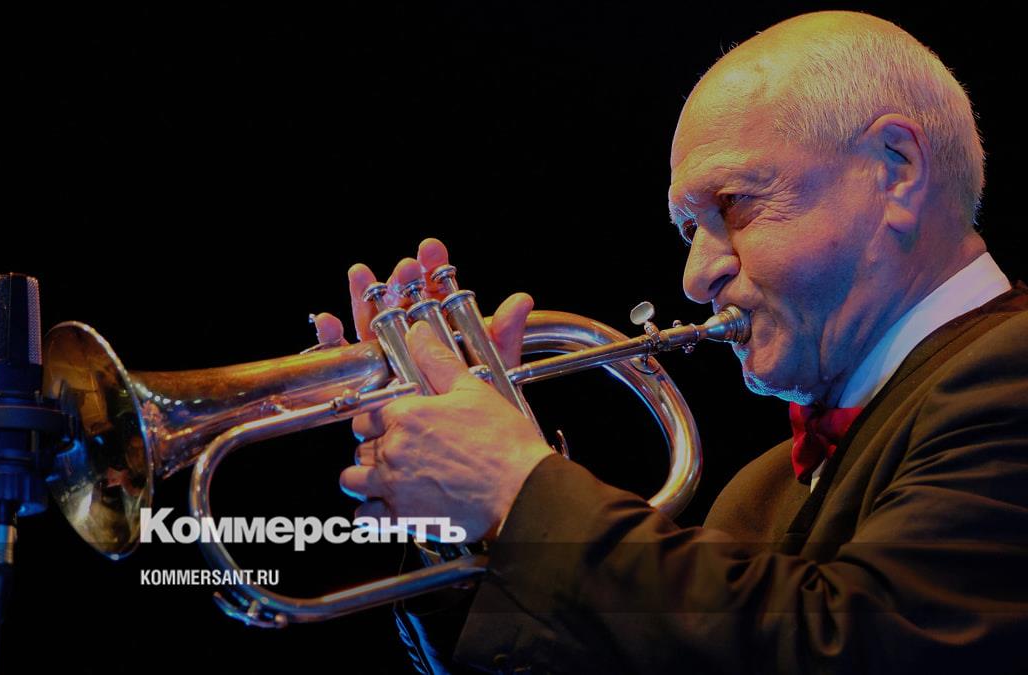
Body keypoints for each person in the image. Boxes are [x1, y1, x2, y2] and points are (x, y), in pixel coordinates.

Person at [315, 11, 1027, 674]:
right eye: (689, 230)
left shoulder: (1014, 371)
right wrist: (467, 521)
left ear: (895, 169)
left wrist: (519, 487)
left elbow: (868, 649)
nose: (695, 276)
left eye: (733, 204)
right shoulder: (758, 495)